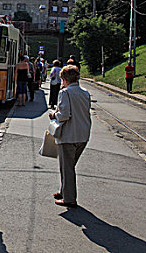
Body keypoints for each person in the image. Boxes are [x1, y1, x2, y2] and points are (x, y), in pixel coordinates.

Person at [48, 65, 91, 207]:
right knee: (69, 165)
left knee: (67, 167)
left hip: (68, 135)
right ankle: (64, 191)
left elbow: (64, 115)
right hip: (83, 135)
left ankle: (69, 199)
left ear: (65, 79)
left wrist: (54, 114)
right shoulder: (85, 92)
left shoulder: (65, 93)